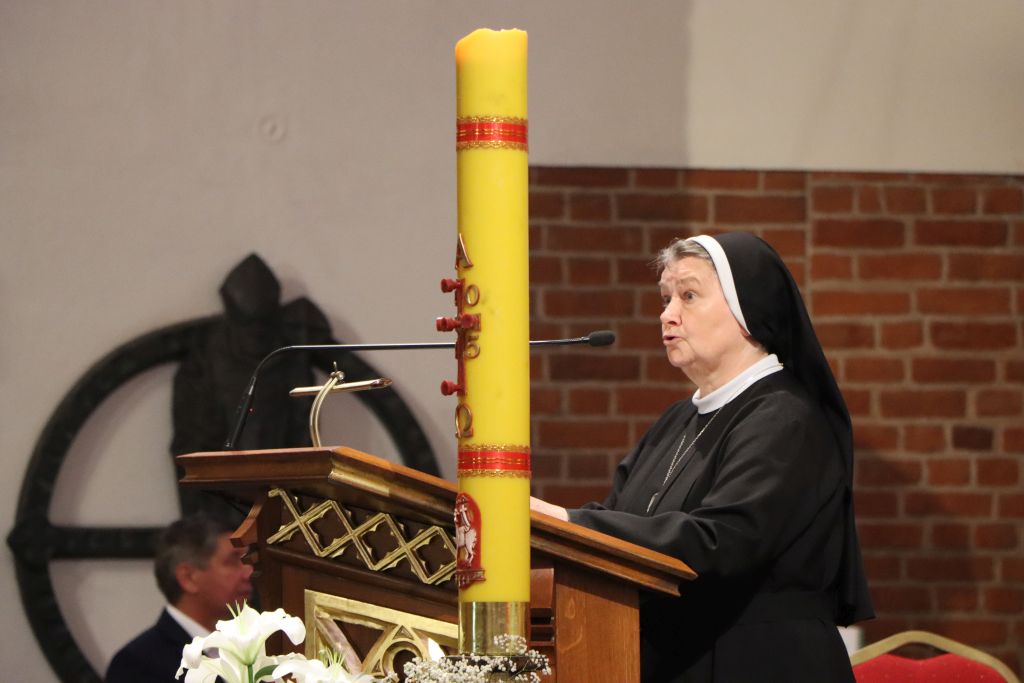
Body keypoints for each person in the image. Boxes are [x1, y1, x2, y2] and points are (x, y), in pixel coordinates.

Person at [531, 232, 873, 682]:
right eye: (666, 298)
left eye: (688, 296)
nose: (667, 314)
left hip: (761, 663)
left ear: (747, 310)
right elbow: (618, 519)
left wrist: (567, 522)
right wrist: (554, 531)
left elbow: (722, 541)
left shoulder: (786, 418)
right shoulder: (676, 421)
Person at [105, 515, 254, 683]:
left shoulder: (252, 649)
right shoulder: (138, 665)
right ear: (188, 578)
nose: (249, 572)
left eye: (247, 560)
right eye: (232, 561)